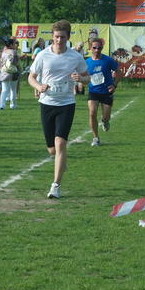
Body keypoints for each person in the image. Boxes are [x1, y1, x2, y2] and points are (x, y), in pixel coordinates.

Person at [28, 20, 90, 199]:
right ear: (52, 37)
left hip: (66, 104)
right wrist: (39, 86)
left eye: (62, 37)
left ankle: (56, 186)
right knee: (52, 149)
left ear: (68, 37)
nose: (59, 40)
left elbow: (88, 77)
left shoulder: (75, 57)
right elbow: (31, 77)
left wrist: (81, 79)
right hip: (47, 103)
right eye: (56, 37)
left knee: (60, 143)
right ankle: (61, 163)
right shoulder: (43, 55)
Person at [86, 37, 119, 147]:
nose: (97, 50)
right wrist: (80, 81)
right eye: (94, 48)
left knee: (106, 117)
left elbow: (119, 72)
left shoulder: (108, 60)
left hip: (106, 92)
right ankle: (96, 138)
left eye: (99, 48)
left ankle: (105, 121)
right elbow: (83, 75)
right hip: (93, 91)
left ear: (102, 48)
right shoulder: (87, 62)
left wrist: (114, 85)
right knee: (92, 113)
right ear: (90, 48)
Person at [0, 38, 20, 110]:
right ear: (11, 45)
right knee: (13, 90)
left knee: (4, 90)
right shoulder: (14, 52)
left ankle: (2, 105)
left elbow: (1, 62)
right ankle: (13, 105)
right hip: (13, 72)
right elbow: (15, 62)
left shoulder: (3, 52)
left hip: (4, 72)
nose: (15, 45)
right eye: (14, 43)